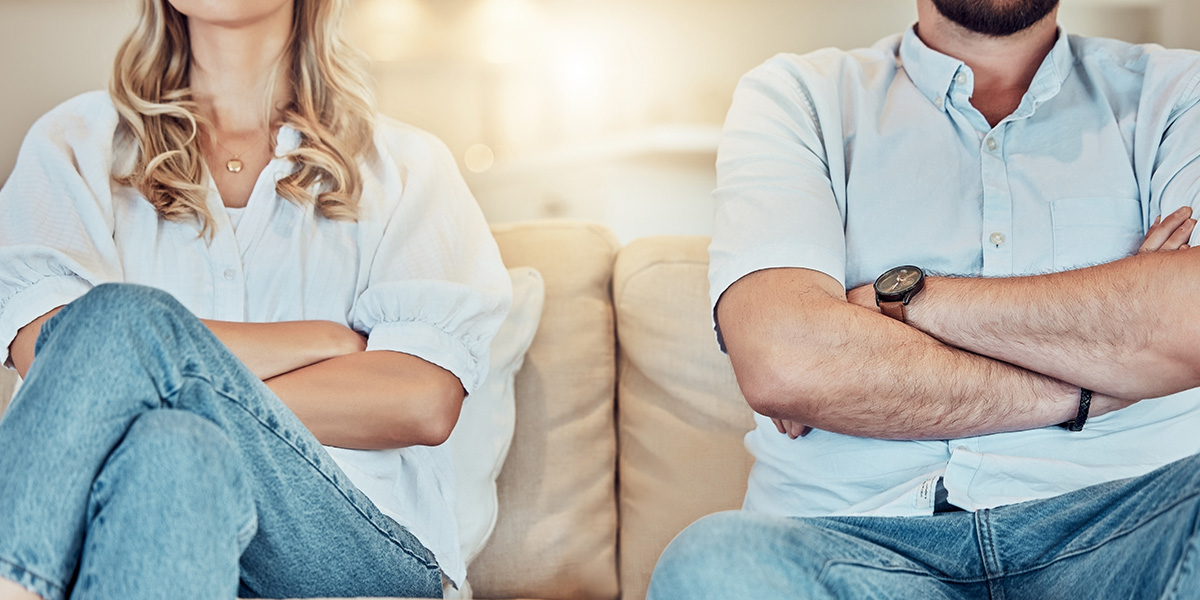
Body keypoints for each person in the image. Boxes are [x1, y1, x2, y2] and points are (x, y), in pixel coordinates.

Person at [648, 0, 1200, 598]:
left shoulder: (1177, 92)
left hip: (1128, 525)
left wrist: (909, 302)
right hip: (857, 543)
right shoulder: (798, 95)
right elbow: (787, 361)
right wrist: (1100, 380)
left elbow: (1189, 318)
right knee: (713, 563)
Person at [0, 0, 510, 598]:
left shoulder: (406, 166)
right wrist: (321, 339)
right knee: (174, 451)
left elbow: (423, 399)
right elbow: (57, 360)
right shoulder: (73, 144)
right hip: (135, 528)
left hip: (354, 551)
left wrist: (155, 372)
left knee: (117, 323)